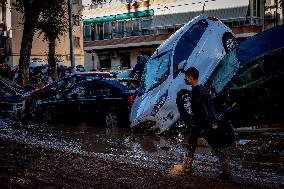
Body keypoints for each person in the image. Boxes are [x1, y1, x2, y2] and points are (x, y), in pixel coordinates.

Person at [169, 67, 235, 179]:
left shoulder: (196, 92)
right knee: (208, 145)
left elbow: (202, 110)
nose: (185, 79)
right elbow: (210, 107)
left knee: (196, 144)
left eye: (186, 77)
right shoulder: (203, 89)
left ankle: (187, 168)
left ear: (190, 78)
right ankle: (225, 170)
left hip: (201, 124)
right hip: (204, 123)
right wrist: (214, 121)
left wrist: (210, 124)